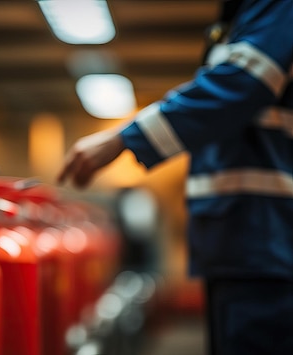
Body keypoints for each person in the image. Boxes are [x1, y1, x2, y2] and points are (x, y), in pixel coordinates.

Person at [57, 1, 293, 354]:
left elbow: (245, 80)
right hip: (243, 239)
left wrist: (124, 136)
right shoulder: (241, 16)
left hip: (266, 239)